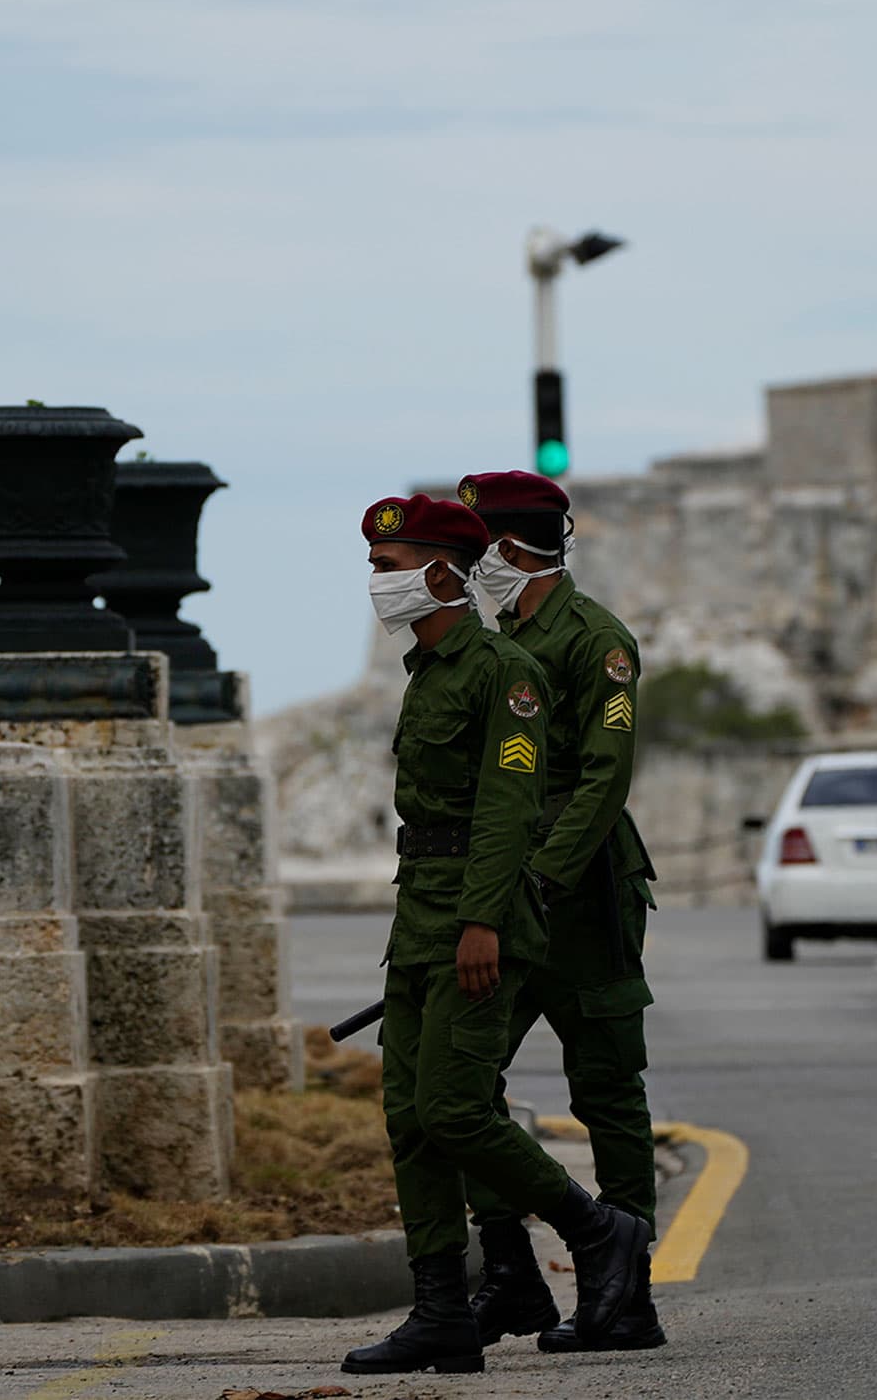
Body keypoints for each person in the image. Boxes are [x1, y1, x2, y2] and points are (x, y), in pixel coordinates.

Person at [344, 493, 653, 1377]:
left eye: (389, 569)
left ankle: (613, 1253)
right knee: (420, 1112)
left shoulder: (538, 659)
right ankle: (473, 1291)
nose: (376, 585)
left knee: (589, 1084)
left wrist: (507, 903)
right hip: (434, 908)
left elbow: (570, 787)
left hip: (549, 897)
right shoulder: (432, 669)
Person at [454, 470, 665, 1353]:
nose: (469, 570)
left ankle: (627, 1297)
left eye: (476, 553)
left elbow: (602, 779)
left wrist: (536, 883)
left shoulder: (597, 642)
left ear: (509, 550)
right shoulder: (502, 639)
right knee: (461, 1078)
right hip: (509, 889)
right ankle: (510, 1271)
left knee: (606, 1089)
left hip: (580, 899)